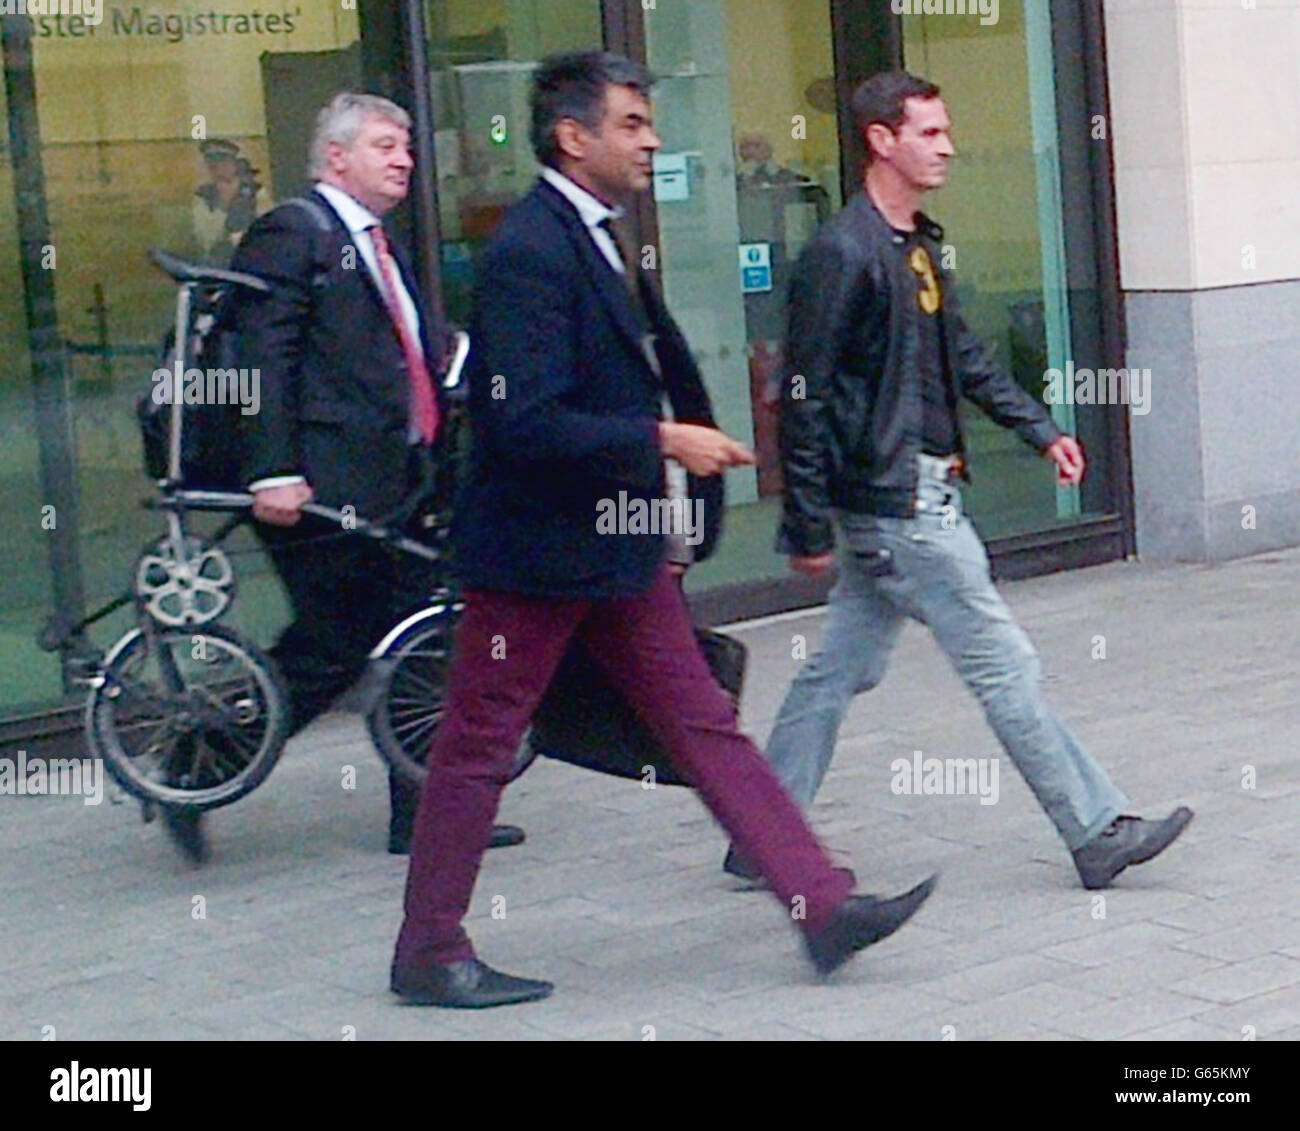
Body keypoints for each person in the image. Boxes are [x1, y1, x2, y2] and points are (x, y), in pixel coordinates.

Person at [390, 52, 937, 1011]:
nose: (651, 141)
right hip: (535, 556)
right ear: (574, 137)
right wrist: (660, 438)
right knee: (478, 741)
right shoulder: (529, 249)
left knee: (704, 726)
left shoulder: (594, 234)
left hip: (614, 549)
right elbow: (519, 420)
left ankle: (822, 904)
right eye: (632, 124)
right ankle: (429, 949)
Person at [723, 71, 1192, 892]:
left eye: (945, 132)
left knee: (839, 668)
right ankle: (1096, 829)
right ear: (881, 140)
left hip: (906, 498)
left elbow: (964, 356)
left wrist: (1039, 430)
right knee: (1003, 662)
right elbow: (804, 395)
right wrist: (802, 525)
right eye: (930, 133)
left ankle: (761, 832)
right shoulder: (844, 252)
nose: (947, 147)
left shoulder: (915, 244)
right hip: (902, 505)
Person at [157, 93, 523, 863]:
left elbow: (397, 352)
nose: (404, 161)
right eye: (386, 146)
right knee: (335, 643)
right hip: (321, 486)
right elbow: (264, 357)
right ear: (336, 157)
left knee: (415, 638)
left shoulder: (374, 243)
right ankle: (196, 767)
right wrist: (274, 470)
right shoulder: (294, 232)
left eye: (408, 149)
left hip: (394, 476)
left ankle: (423, 814)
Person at [192, 139, 271, 266]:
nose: (219, 170)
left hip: (252, 259)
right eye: (213, 166)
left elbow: (268, 231)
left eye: (224, 164)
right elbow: (205, 240)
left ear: (235, 164)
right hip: (218, 263)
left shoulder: (255, 192)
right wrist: (222, 205)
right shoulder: (203, 196)